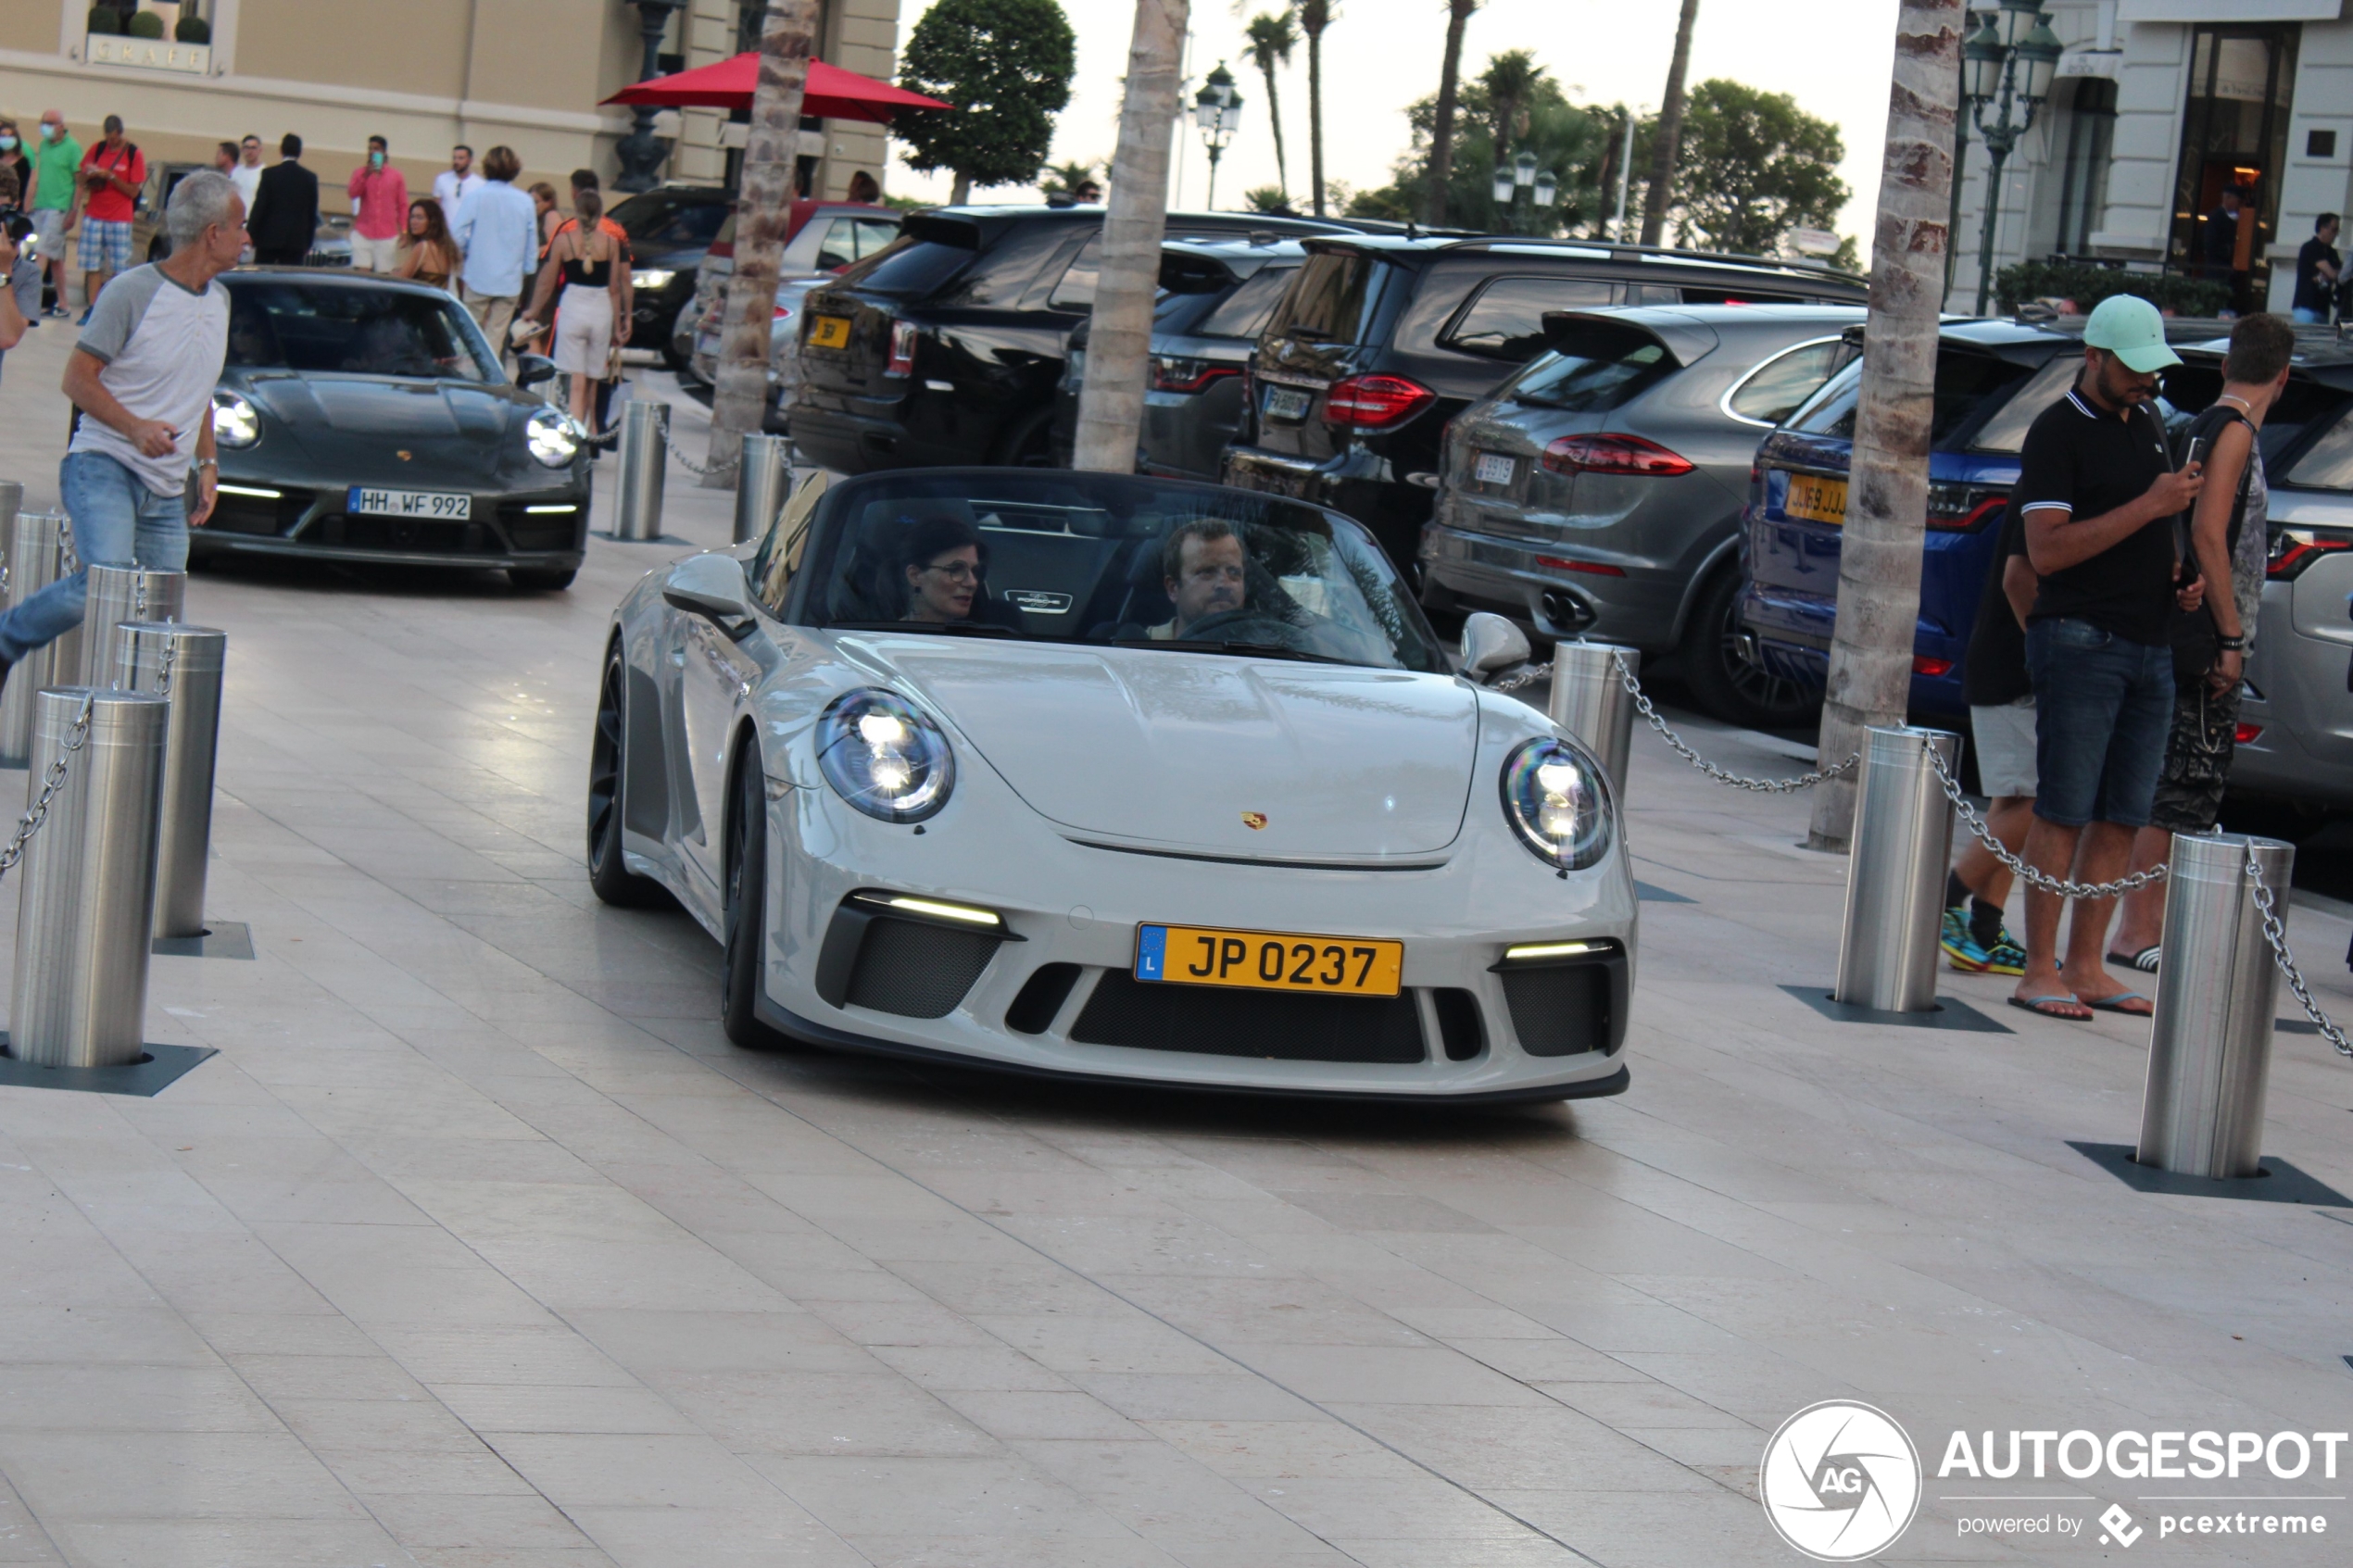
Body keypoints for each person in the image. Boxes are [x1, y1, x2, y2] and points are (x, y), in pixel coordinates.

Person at [2007, 295, 2205, 1022]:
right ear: (2095, 357)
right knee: (2063, 806)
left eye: (2154, 369)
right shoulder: (2058, 431)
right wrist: (2152, 507)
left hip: (2150, 643)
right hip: (2081, 641)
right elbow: (2047, 551)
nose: (2146, 381)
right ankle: (2038, 967)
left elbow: (2153, 527)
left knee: (2123, 812)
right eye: (2133, 368)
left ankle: (2087, 964)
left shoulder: (2147, 422)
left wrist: (2181, 580)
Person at [0, 170, 242, 696]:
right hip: (104, 464)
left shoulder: (219, 301)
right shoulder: (132, 292)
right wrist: (134, 428)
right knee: (102, 584)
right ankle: (7, 639)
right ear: (213, 233)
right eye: (241, 226)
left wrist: (208, 464)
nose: (248, 238)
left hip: (166, 487)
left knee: (158, 614)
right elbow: (76, 379)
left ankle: (128, 722)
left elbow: (199, 388)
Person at [2106, 314, 2296, 973]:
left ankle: (2140, 924)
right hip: (2205, 634)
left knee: (2172, 778)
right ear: (2284, 376)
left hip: (2180, 624)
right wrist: (2231, 635)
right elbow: (2211, 532)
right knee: (2184, 784)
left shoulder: (2198, 425)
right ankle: (2137, 930)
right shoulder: (2237, 430)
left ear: (2224, 365)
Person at [1942, 513, 2039, 976]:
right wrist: (2049, 654)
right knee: (2048, 799)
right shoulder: (2055, 467)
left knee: (2017, 798)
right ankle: (1946, 899)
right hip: (2017, 669)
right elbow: (2018, 577)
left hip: (2009, 666)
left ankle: (1986, 925)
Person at [524, 188, 630, 432]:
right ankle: (592, 427)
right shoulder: (612, 244)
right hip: (601, 310)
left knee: (576, 382)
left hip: (573, 308)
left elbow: (547, 281)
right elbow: (615, 288)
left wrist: (533, 310)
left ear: (577, 213)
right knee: (594, 377)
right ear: (600, 213)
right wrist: (619, 325)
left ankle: (574, 432)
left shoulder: (564, 241)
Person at [452, 145, 538, 371]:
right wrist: (527, 269)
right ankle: (489, 377)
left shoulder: (476, 196)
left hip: (478, 274)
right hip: (509, 279)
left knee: (469, 333)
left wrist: (470, 252)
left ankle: (464, 374)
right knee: (496, 336)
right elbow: (532, 242)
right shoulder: (525, 201)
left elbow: (457, 233)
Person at [72, 114, 145, 320]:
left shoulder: (133, 154)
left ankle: (113, 308)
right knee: (92, 264)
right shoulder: (98, 149)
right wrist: (90, 172)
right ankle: (93, 306)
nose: (111, 143)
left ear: (120, 133)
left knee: (119, 268)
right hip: (94, 214)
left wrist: (111, 176)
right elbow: (80, 177)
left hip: (120, 218)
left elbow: (133, 192)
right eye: (108, 138)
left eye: (114, 139)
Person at [1146, 521, 1248, 638]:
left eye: (1234, 572)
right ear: (1173, 589)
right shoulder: (1137, 650)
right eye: (1207, 572)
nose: (1224, 584)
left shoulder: (1267, 646)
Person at [27, 109, 80, 317]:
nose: (44, 126)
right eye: (43, 122)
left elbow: (79, 182)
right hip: (41, 206)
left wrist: (73, 210)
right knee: (55, 258)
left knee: (42, 252)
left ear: (60, 125)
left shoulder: (73, 147)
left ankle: (28, 301)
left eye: (49, 123)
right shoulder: (43, 146)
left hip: (59, 209)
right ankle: (64, 303)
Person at [246, 133, 319, 266]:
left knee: (262, 278)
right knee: (289, 281)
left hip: (268, 239)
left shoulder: (269, 175)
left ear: (281, 150)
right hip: (295, 242)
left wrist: (250, 232)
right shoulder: (309, 178)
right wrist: (308, 242)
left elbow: (260, 206)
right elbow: (311, 213)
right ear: (300, 152)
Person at [900, 515, 987, 622]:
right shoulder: (883, 636)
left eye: (974, 571)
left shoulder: (994, 635)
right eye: (955, 570)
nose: (972, 583)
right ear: (915, 576)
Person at [346, 133, 408, 272]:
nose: (373, 152)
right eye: (370, 148)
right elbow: (352, 193)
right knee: (362, 273)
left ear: (384, 152)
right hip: (363, 231)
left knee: (383, 275)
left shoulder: (396, 176)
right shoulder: (360, 173)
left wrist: (404, 230)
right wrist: (366, 175)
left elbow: (403, 205)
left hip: (387, 233)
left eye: (376, 149)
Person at [391, 197, 459, 292]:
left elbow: (400, 280)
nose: (413, 222)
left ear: (432, 222)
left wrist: (393, 273)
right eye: (412, 217)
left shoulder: (423, 247)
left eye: (420, 218)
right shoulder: (446, 247)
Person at [2293, 213, 2339, 326]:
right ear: (2323, 228)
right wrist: (2330, 275)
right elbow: (2333, 273)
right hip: (2306, 306)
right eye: (2334, 230)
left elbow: (2339, 274)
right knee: (2305, 341)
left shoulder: (2332, 253)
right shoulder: (2311, 247)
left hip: (2323, 307)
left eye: (2337, 230)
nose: (2335, 234)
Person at [433, 144, 483, 232]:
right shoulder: (442, 179)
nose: (456, 161)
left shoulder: (480, 184)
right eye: (454, 158)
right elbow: (436, 207)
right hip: (445, 233)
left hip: (468, 234)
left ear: (470, 161)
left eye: (461, 158)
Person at [0, 119, 31, 200]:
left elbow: (24, 187)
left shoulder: (23, 162)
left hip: (13, 208)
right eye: (3, 136)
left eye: (10, 136)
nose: (6, 139)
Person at [230, 134, 263, 209]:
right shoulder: (236, 171)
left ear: (260, 150)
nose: (250, 151)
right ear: (242, 150)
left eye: (253, 148)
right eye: (247, 148)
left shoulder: (264, 173)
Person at [528, 182, 561, 250]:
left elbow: (556, 246)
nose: (531, 206)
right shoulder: (536, 219)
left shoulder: (551, 216)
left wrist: (534, 252)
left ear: (549, 203)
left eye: (535, 202)